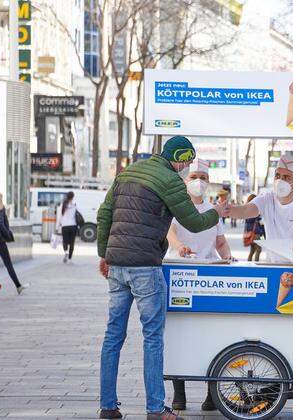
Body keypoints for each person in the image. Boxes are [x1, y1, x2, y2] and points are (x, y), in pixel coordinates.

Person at [96, 136, 227, 420]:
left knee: (113, 335)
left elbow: (104, 213)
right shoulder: (170, 181)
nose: (186, 168)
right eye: (187, 162)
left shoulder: (128, 171)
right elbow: (194, 220)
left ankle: (108, 406)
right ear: (179, 158)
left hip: (117, 265)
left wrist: (104, 254)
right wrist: (216, 212)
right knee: (153, 337)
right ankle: (156, 409)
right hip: (145, 266)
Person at [227, 155, 293, 416]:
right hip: (273, 272)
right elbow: (247, 211)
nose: (280, 181)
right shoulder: (267, 199)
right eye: (278, 176)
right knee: (272, 335)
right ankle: (272, 391)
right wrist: (227, 209)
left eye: (286, 177)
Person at [165, 159, 228, 412]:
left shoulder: (212, 211)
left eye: (203, 176)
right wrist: (179, 246)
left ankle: (211, 395)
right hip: (179, 275)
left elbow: (221, 242)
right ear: (185, 180)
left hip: (208, 279)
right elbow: (168, 232)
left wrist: (227, 258)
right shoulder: (175, 207)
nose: (198, 181)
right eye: (194, 176)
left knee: (210, 337)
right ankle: (178, 393)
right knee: (178, 336)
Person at [56, 192, 79, 263]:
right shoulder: (74, 205)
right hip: (73, 226)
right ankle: (70, 258)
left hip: (65, 226)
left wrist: (57, 227)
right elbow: (77, 215)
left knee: (65, 241)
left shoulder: (63, 205)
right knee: (72, 242)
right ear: (73, 197)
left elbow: (59, 217)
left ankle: (66, 252)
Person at [243, 194, 264, 262]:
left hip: (250, 232)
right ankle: (256, 264)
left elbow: (247, 222)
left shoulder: (247, 209)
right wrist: (258, 216)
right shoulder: (253, 209)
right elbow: (252, 220)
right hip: (255, 233)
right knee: (259, 249)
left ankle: (249, 263)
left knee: (252, 250)